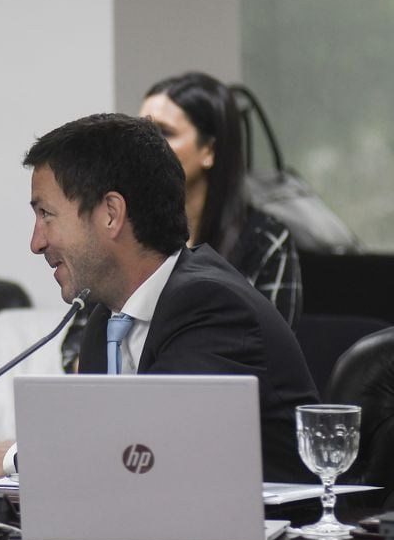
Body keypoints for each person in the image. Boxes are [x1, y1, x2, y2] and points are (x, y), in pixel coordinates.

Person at [0, 113, 318, 484]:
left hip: (286, 537)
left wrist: (20, 457)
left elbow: (148, 450)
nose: (36, 242)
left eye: (46, 214)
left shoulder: (210, 304)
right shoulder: (104, 322)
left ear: (111, 214)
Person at [61, 72, 302, 370]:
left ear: (209, 150)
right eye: (141, 133)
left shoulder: (266, 240)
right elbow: (74, 348)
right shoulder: (119, 229)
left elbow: (264, 353)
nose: (144, 147)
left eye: (164, 132)